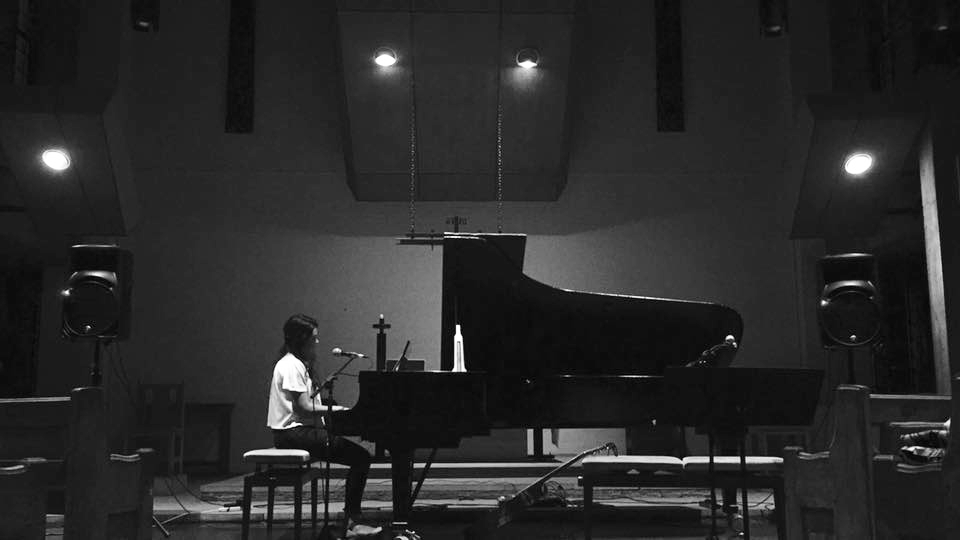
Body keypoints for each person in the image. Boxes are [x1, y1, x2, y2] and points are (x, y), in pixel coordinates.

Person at [267, 313, 382, 538]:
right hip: (291, 433)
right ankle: (352, 522)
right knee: (361, 458)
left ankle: (350, 521)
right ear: (301, 339)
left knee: (358, 456)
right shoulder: (291, 366)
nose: (317, 342)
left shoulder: (296, 364)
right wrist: (337, 410)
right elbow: (303, 408)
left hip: (295, 432)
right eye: (314, 338)